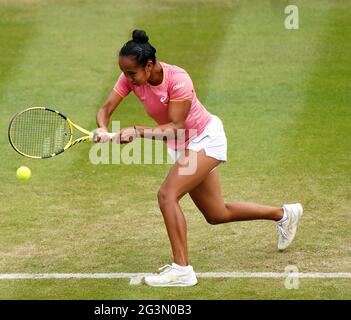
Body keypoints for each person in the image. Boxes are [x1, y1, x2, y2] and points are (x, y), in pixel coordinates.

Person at [94, 29, 303, 287]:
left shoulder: (178, 79)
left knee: (166, 195)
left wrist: (137, 131)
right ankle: (284, 214)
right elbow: (106, 108)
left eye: (132, 74)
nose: (127, 79)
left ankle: (182, 270)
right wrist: (103, 128)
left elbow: (177, 126)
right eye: (125, 73)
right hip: (183, 148)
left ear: (149, 66)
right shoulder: (131, 76)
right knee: (217, 213)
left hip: (204, 139)